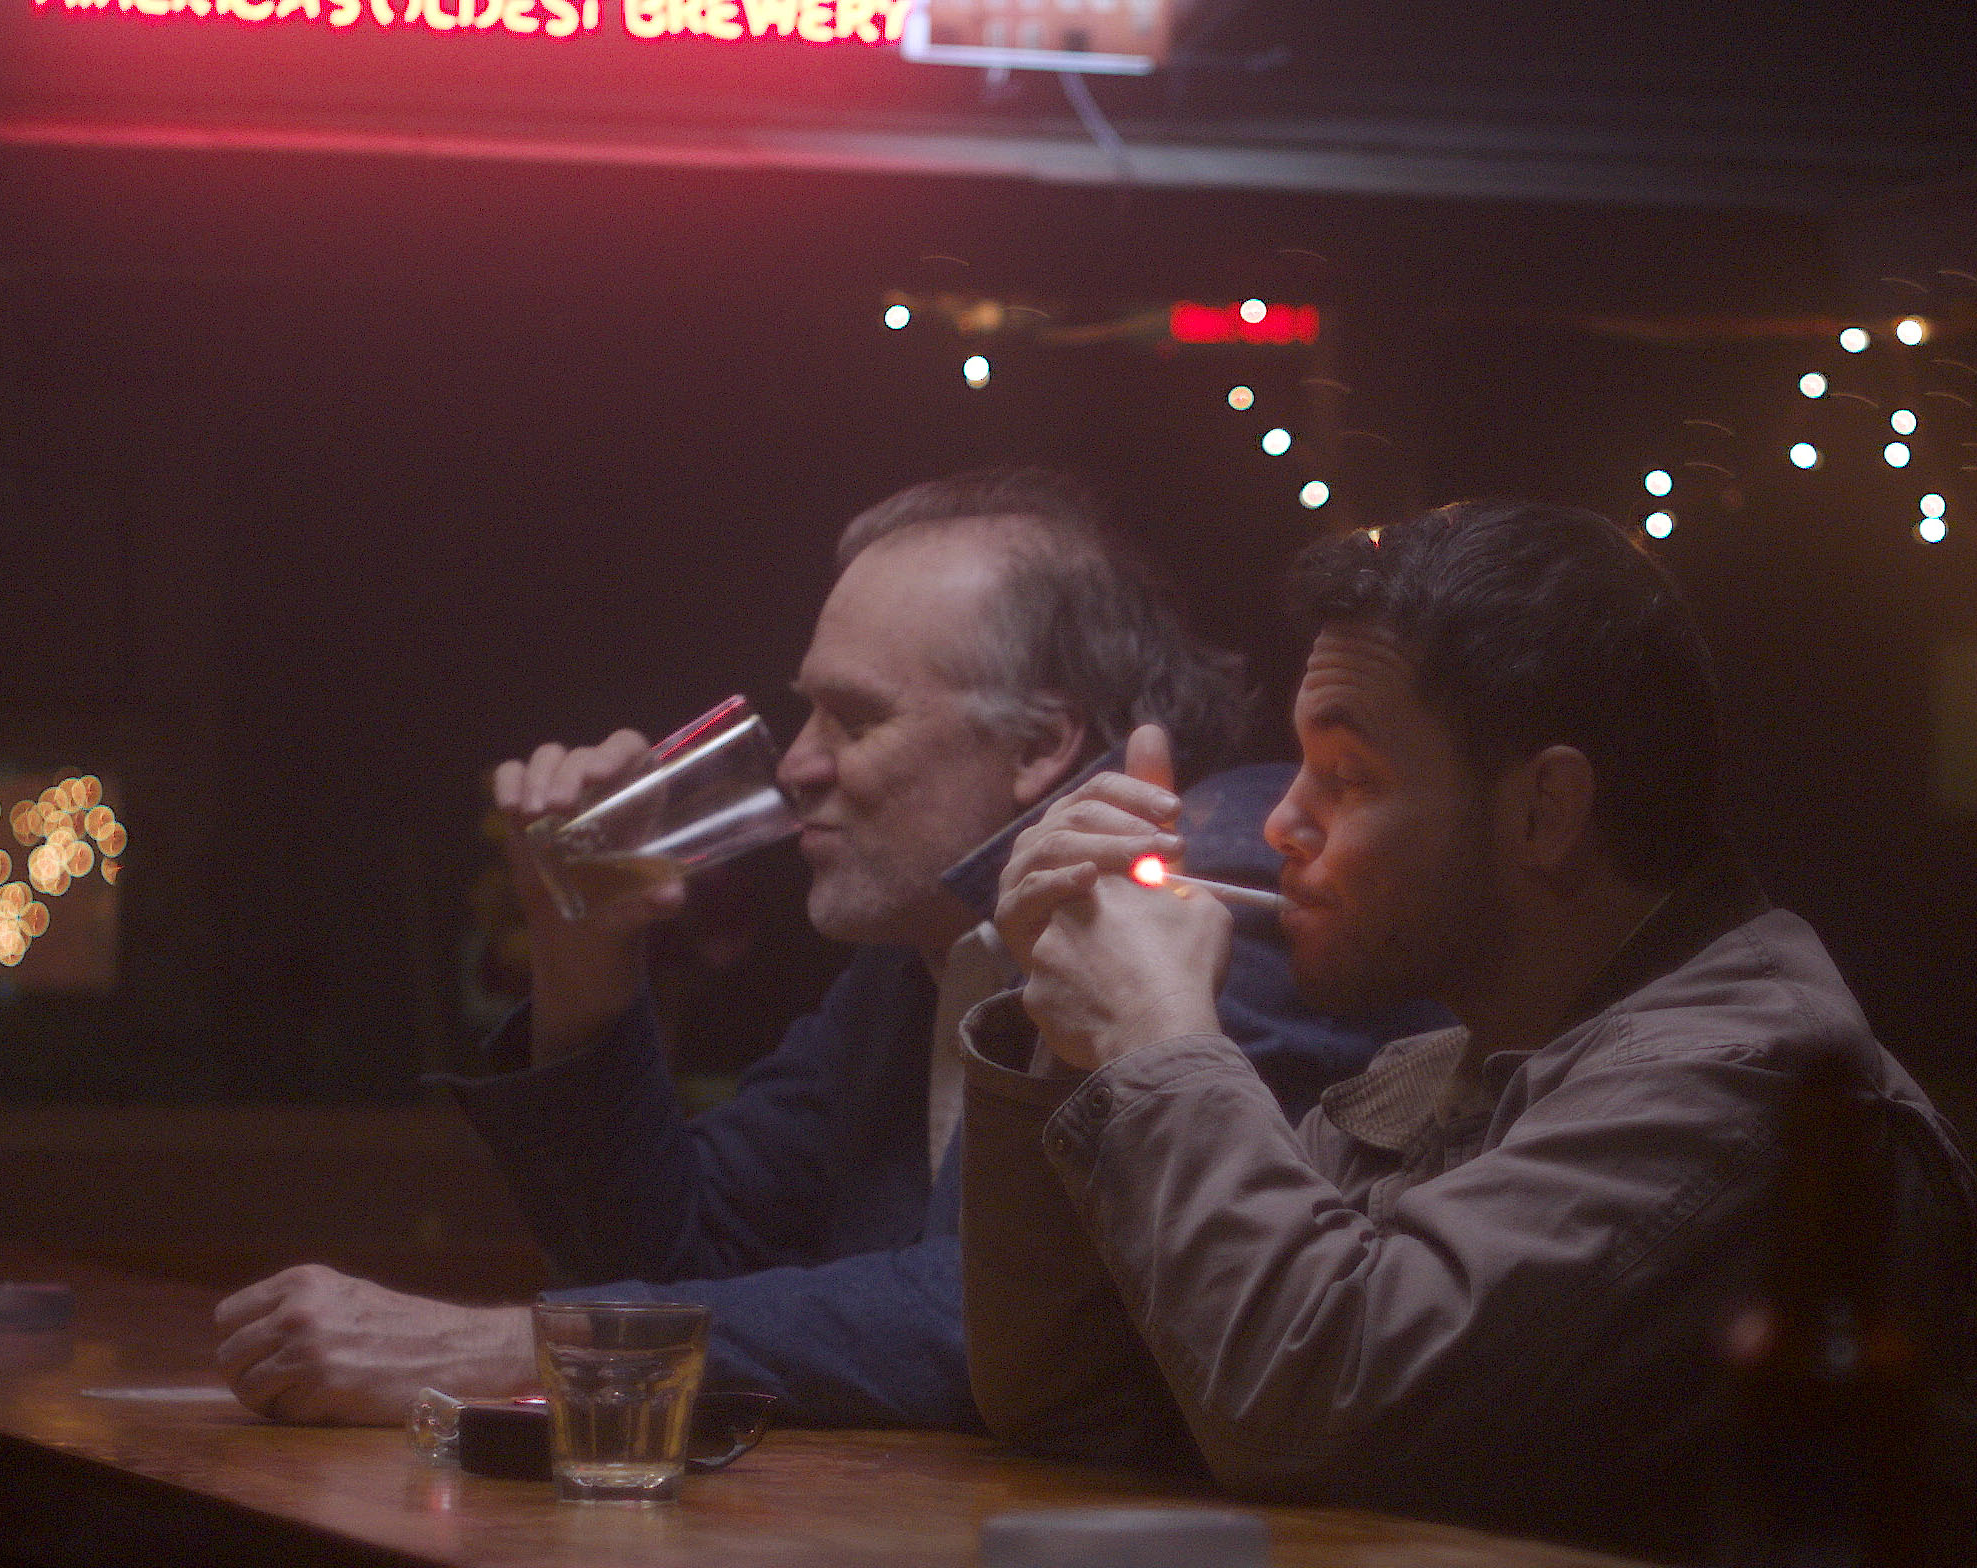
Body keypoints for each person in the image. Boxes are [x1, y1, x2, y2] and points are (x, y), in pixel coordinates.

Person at [960, 501, 1977, 1568]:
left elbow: (1320, 1406)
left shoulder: (1745, 1084)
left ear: (1545, 811)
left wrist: (1159, 1043)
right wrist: (1069, 1051)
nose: (1280, 823)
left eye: (1348, 776)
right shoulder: (1436, 1077)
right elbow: (1075, 1401)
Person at [214, 470, 1413, 1428]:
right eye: (805, 711)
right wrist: (586, 955)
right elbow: (676, 1251)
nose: (795, 763)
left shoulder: (1215, 881)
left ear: (1043, 745)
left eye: (856, 715)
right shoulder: (917, 964)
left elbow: (996, 1320)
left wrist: (507, 1349)